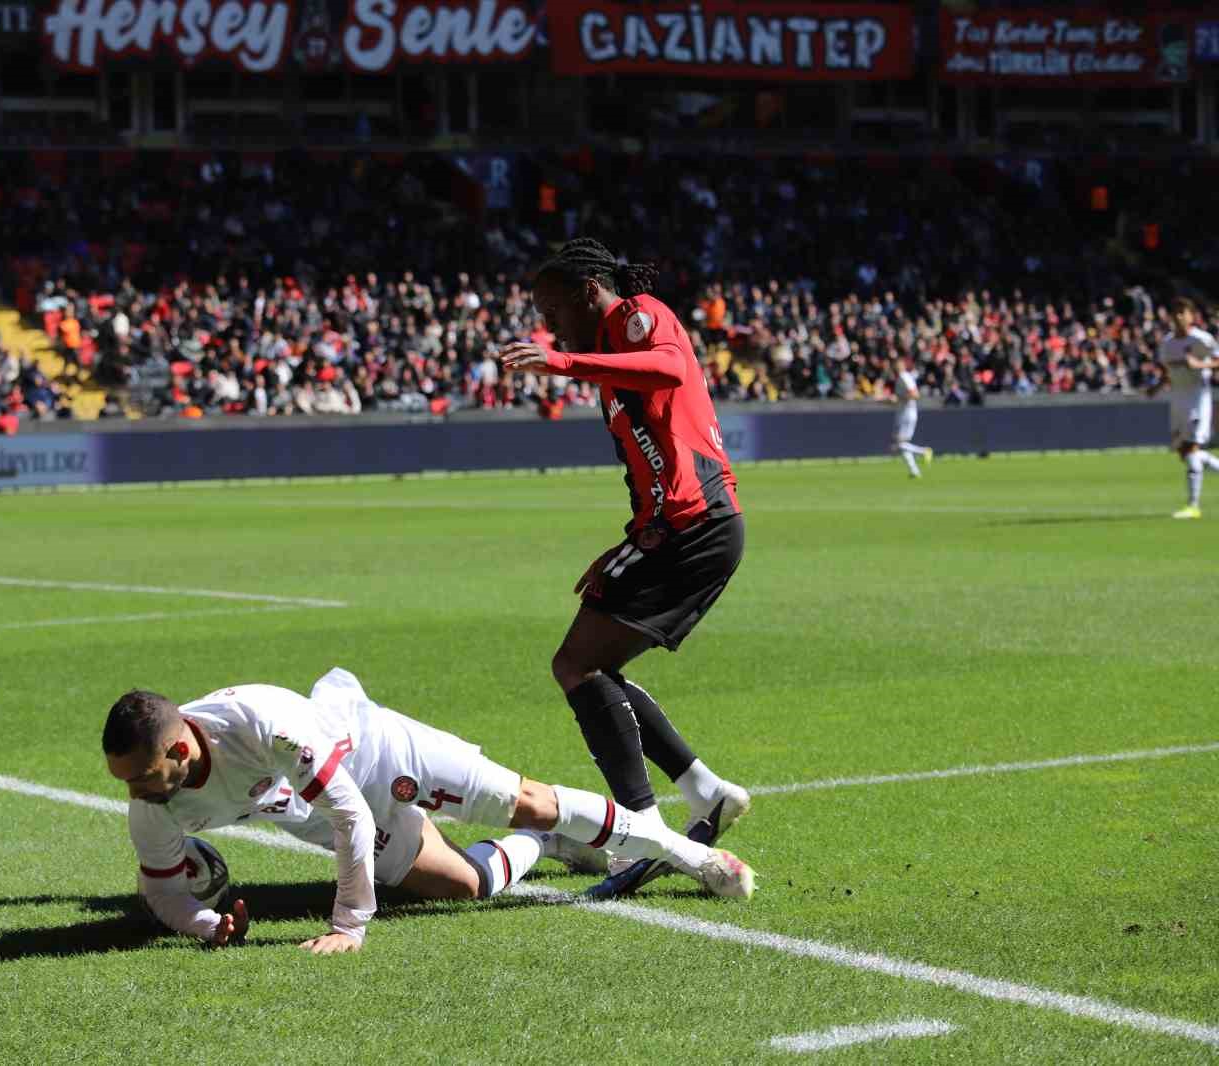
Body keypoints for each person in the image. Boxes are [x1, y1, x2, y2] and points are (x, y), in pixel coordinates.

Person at [102, 668, 756, 953]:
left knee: (523, 801)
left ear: (181, 747)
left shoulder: (262, 722)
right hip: (322, 808)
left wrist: (350, 922)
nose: (134, 791)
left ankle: (690, 854)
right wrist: (205, 924)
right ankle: (555, 846)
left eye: (142, 776)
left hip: (385, 758)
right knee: (466, 886)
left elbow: (353, 815)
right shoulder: (152, 804)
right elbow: (163, 893)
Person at [495, 238, 751, 881]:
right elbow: (652, 462)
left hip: (696, 523)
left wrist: (563, 362)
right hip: (674, 527)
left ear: (589, 291)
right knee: (591, 664)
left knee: (577, 664)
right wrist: (629, 541)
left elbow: (671, 367)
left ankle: (645, 829)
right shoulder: (610, 355)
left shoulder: (636, 316)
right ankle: (703, 792)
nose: (549, 324)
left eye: (554, 308)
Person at [1159, 297, 1219, 519]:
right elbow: (1167, 371)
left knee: (1192, 448)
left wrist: (1200, 365)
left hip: (1197, 399)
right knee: (1184, 452)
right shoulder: (1167, 343)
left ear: (1192, 316)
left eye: (1182, 312)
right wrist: (1156, 388)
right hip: (1178, 400)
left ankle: (1193, 506)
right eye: (1174, 312)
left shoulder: (1202, 339)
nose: (1178, 317)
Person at [890, 355, 933, 478]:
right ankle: (914, 471)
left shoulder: (904, 377)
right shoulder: (901, 378)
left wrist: (900, 398)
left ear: (902, 365)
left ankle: (924, 451)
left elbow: (915, 394)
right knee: (901, 444)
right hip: (903, 413)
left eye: (897, 364)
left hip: (907, 414)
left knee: (899, 444)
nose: (895, 366)